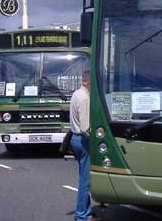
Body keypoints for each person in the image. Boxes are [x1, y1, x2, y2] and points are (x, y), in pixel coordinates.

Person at [70, 69, 95, 221]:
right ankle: (82, 215)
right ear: (86, 81)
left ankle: (86, 211)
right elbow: (86, 128)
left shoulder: (76, 94)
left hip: (75, 137)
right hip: (83, 139)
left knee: (83, 177)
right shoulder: (85, 98)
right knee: (85, 182)